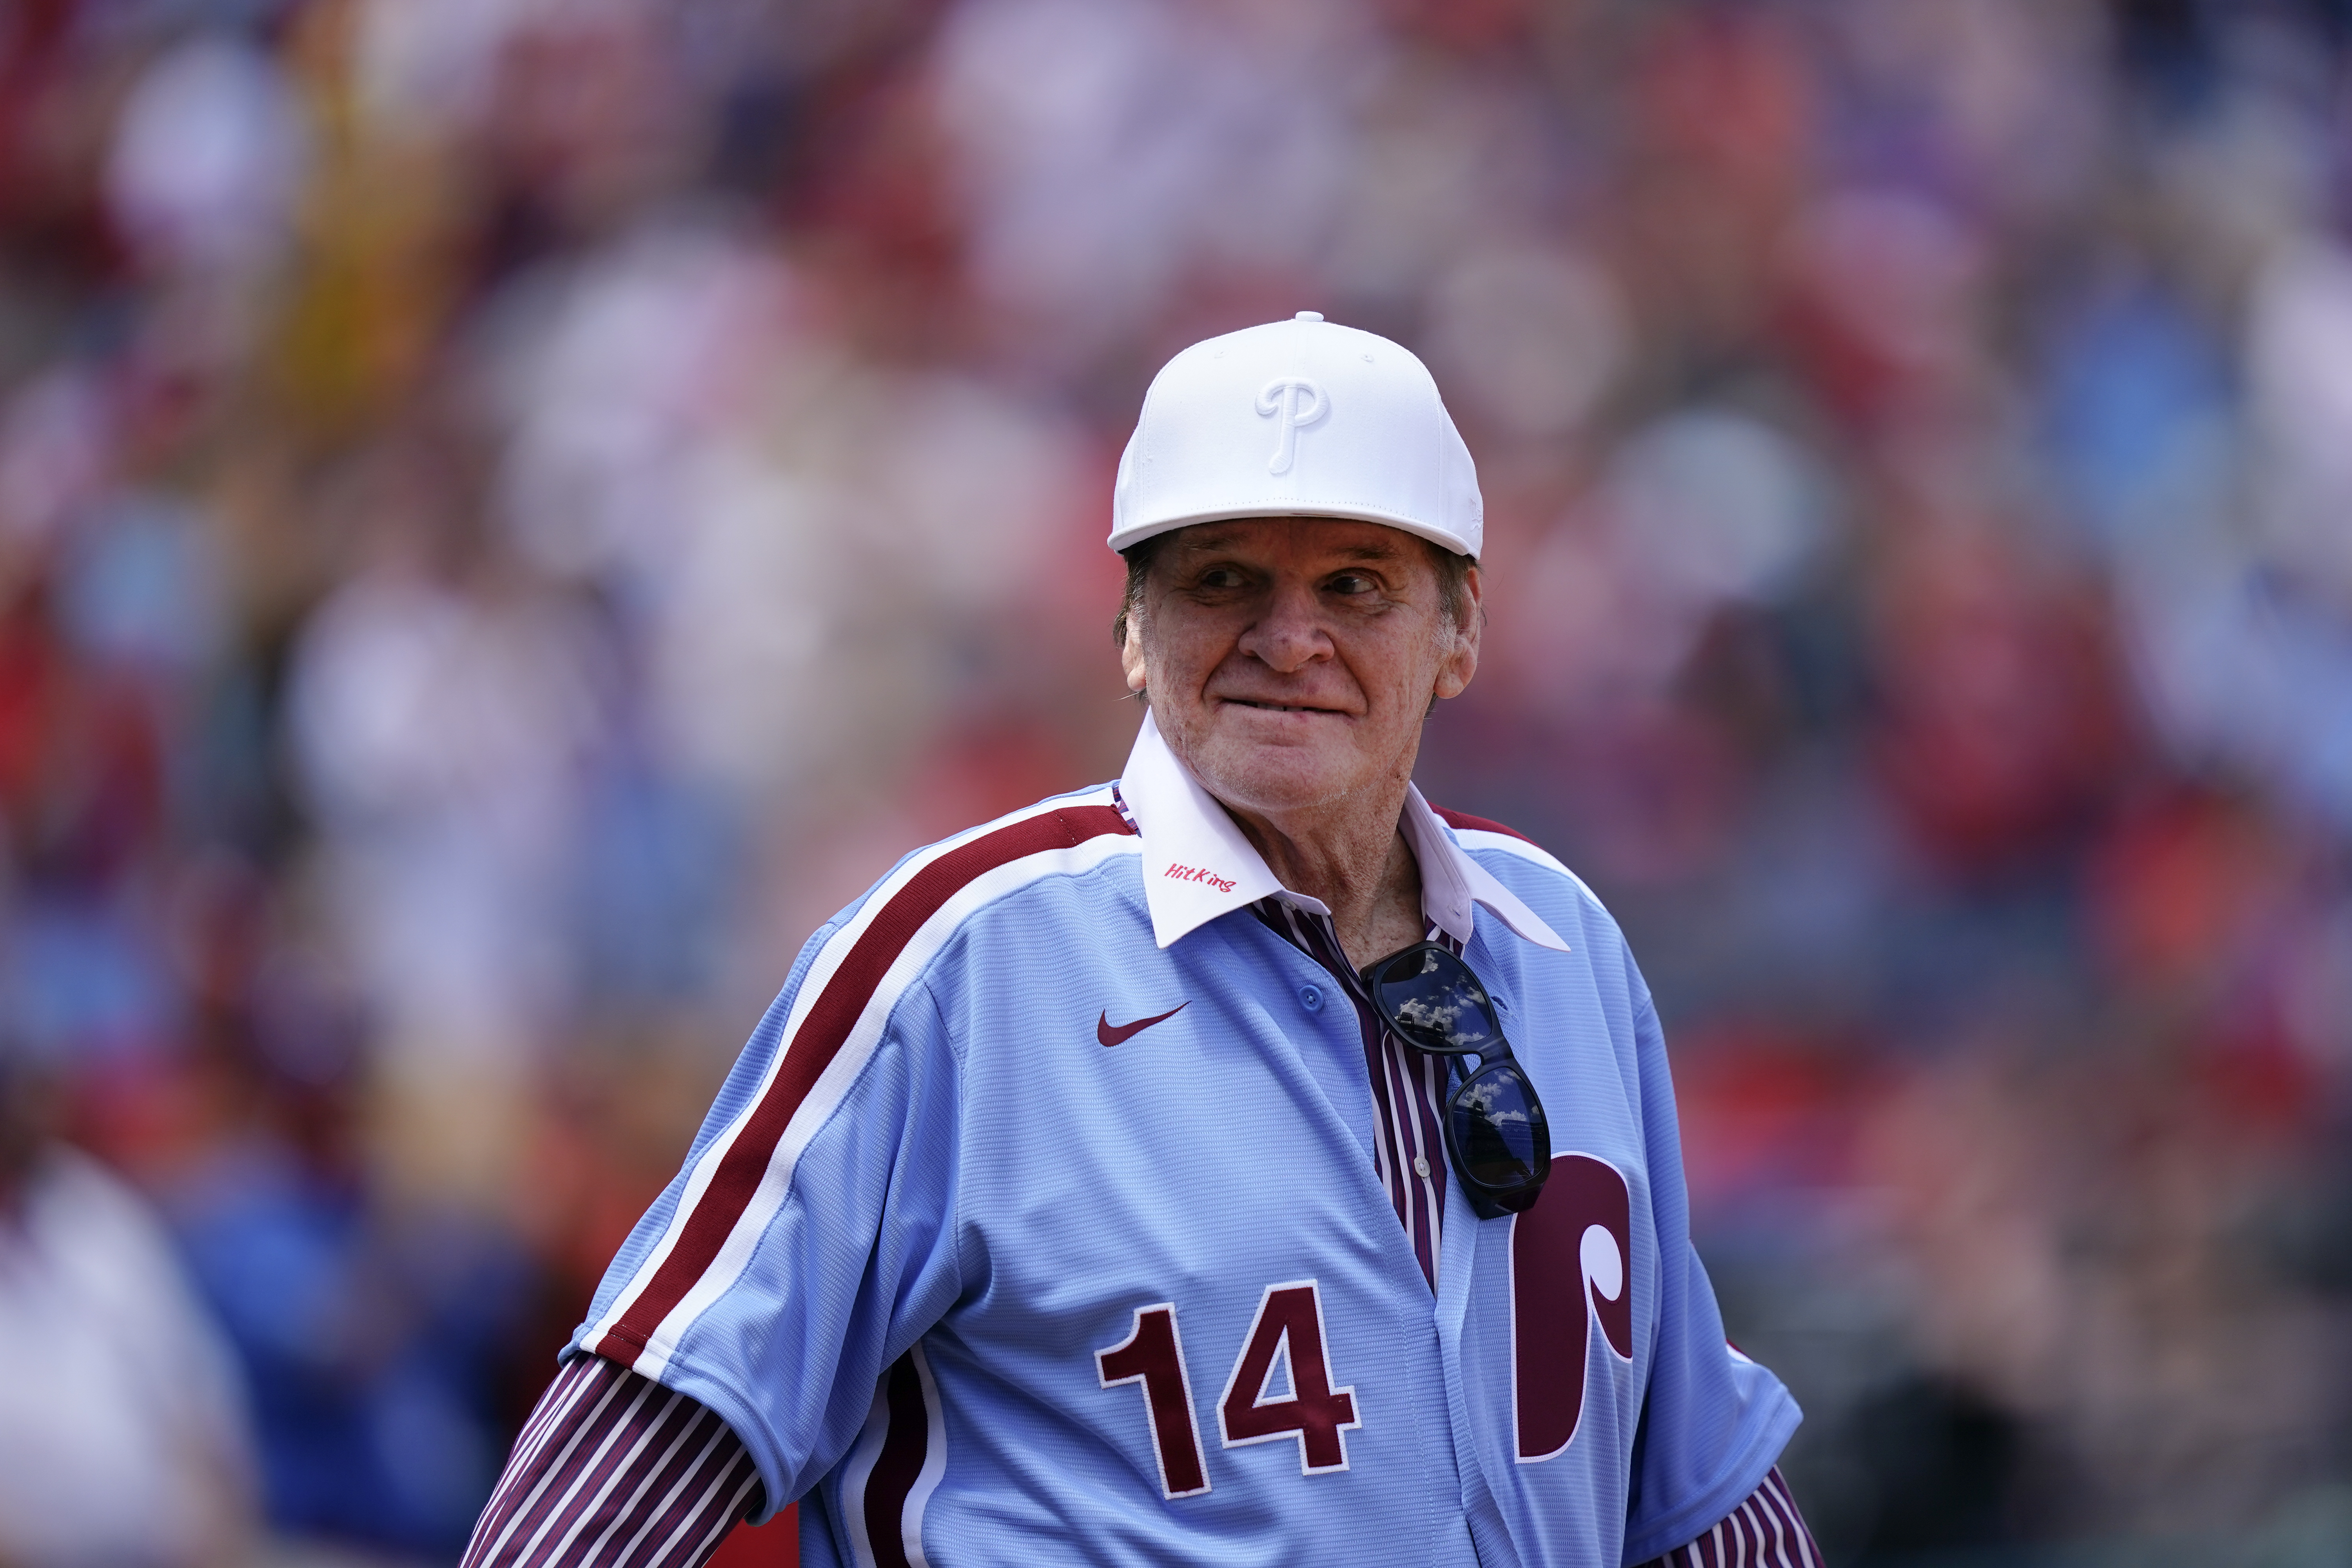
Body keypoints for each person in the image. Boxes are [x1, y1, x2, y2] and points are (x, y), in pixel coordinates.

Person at [462, 314, 1816, 1568]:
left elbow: (1688, 1481)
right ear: (1129, 628)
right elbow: (647, 1432)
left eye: (1357, 585)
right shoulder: (961, 964)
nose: (1291, 640)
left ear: (1458, 632)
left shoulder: (1564, 944)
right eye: (1224, 579)